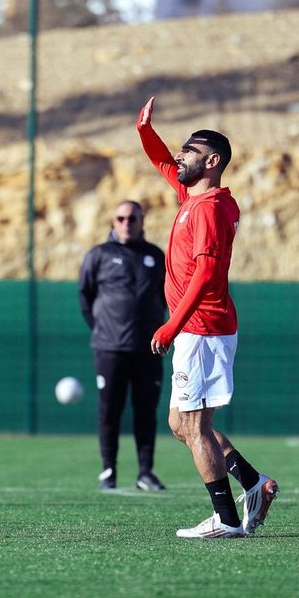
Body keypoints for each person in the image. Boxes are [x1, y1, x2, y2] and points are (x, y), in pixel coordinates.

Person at [137, 96, 279, 538]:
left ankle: (227, 519)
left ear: (212, 161)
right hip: (195, 329)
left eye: (190, 150)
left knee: (195, 426)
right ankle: (253, 483)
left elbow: (207, 273)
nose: (180, 156)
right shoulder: (193, 197)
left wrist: (171, 324)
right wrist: (145, 131)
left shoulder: (211, 208)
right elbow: (163, 162)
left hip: (201, 328)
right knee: (180, 424)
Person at [79, 200, 167, 492]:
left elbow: (166, 297)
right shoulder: (98, 255)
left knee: (146, 411)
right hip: (109, 349)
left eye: (132, 218)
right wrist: (102, 329)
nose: (126, 223)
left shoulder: (155, 256)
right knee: (109, 411)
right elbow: (85, 296)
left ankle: (145, 472)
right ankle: (108, 471)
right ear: (113, 222)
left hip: (148, 349)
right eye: (121, 218)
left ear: (142, 221)